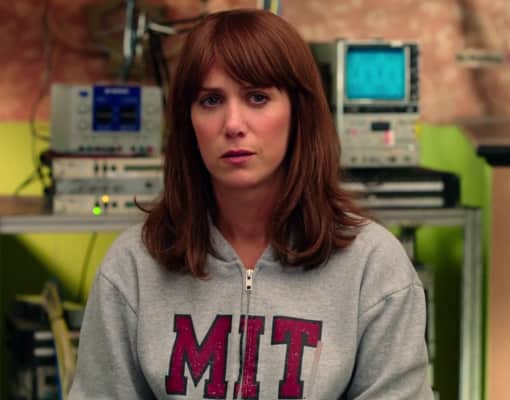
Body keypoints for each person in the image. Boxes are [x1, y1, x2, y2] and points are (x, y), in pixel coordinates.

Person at [69, 8, 433, 400]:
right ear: (188, 122)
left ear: (299, 113)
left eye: (257, 97)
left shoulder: (373, 266)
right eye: (211, 100)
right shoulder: (133, 266)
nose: (233, 124)